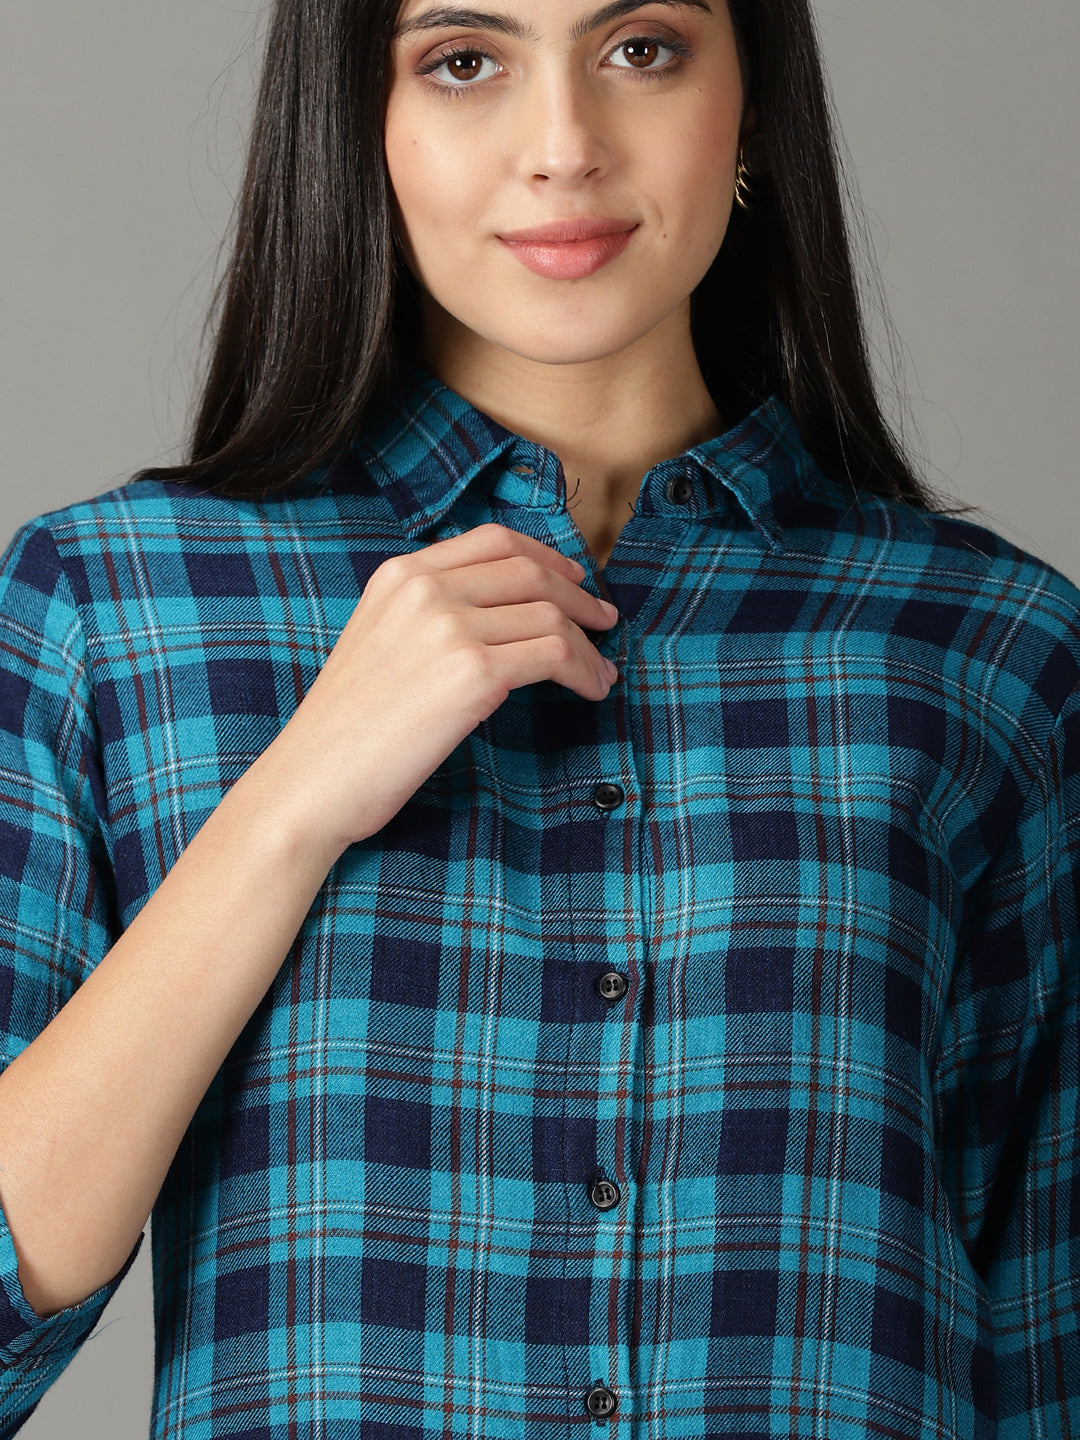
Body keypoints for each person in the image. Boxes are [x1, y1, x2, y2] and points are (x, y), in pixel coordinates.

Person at [1, 0, 1077, 1433]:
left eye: (642, 50)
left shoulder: (991, 648)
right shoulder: (117, 605)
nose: (563, 148)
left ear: (750, 106)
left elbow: (1044, 1332)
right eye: (464, 63)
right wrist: (295, 798)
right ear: (360, 124)